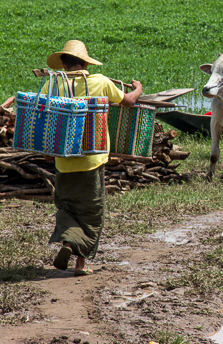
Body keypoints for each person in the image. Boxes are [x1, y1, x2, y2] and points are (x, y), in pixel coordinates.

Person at [45, 40, 143, 276]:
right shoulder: (99, 81)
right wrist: (138, 88)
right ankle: (81, 263)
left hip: (64, 160)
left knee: (66, 206)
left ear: (64, 64)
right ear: (85, 63)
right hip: (92, 158)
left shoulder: (55, 86)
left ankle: (68, 242)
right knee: (91, 212)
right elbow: (128, 102)